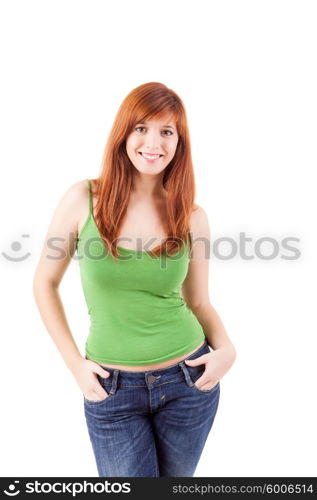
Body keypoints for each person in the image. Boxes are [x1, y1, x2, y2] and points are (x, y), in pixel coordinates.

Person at [33, 81, 236, 477]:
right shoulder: (83, 198)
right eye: (142, 128)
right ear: (124, 133)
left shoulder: (192, 216)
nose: (153, 142)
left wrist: (227, 349)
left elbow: (199, 302)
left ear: (180, 143)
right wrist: (75, 364)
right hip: (111, 389)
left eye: (167, 131)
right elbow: (44, 283)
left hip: (188, 382)